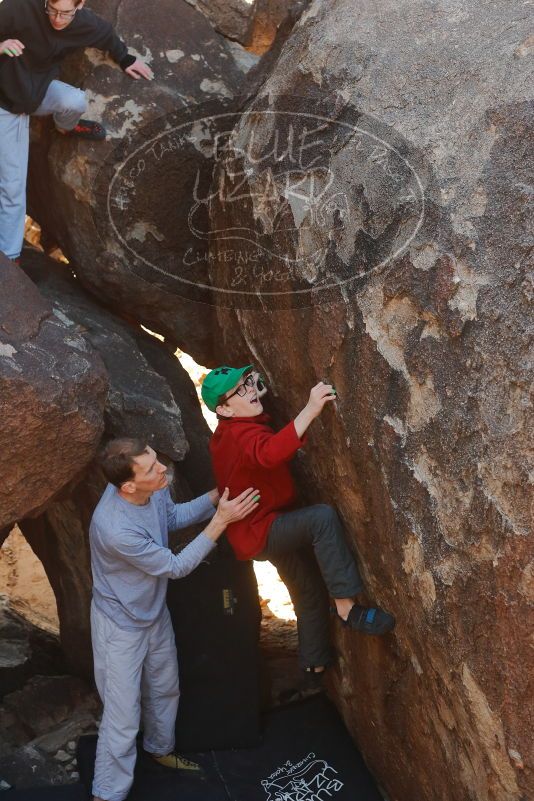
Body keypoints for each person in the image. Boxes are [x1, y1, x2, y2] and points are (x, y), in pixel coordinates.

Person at [89, 437, 259, 801]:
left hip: (152, 610)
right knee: (122, 718)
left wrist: (217, 496)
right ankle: (106, 793)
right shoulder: (115, 528)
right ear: (129, 485)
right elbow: (176, 566)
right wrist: (222, 521)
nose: (162, 468)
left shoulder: (152, 490)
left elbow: (172, 517)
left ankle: (159, 749)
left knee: (165, 687)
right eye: (151, 468)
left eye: (156, 459)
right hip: (120, 625)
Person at [201, 365, 395, 681]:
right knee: (321, 519)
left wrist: (251, 392)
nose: (251, 390)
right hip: (262, 530)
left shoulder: (231, 427)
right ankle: (347, 609)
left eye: (250, 382)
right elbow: (268, 452)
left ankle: (313, 664)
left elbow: (256, 436)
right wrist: (311, 408)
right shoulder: (237, 435)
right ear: (223, 408)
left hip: (262, 526)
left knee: (306, 590)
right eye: (241, 390)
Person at [0, 0, 153, 262]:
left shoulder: (84, 22)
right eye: (52, 9)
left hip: (34, 95)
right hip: (6, 104)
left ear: (80, 5)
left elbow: (106, 34)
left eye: (65, 13)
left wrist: (126, 58)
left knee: (74, 102)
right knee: (12, 187)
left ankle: (64, 128)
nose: (57, 19)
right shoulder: (19, 8)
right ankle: (9, 260)